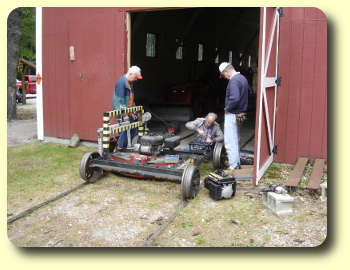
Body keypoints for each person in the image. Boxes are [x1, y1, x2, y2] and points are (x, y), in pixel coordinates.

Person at [219, 62, 252, 170]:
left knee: (230, 142)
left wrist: (227, 108)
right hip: (241, 114)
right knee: (236, 139)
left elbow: (234, 98)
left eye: (224, 75)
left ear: (226, 71)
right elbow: (250, 93)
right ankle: (236, 163)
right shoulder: (243, 78)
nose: (225, 77)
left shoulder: (233, 81)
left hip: (232, 114)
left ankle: (233, 166)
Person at [112, 66, 143, 148]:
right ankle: (120, 149)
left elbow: (131, 97)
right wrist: (123, 115)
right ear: (130, 74)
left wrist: (134, 108)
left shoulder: (130, 83)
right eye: (136, 77)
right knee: (124, 132)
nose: (136, 79)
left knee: (133, 131)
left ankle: (133, 148)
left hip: (130, 112)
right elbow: (119, 101)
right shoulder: (121, 83)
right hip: (124, 114)